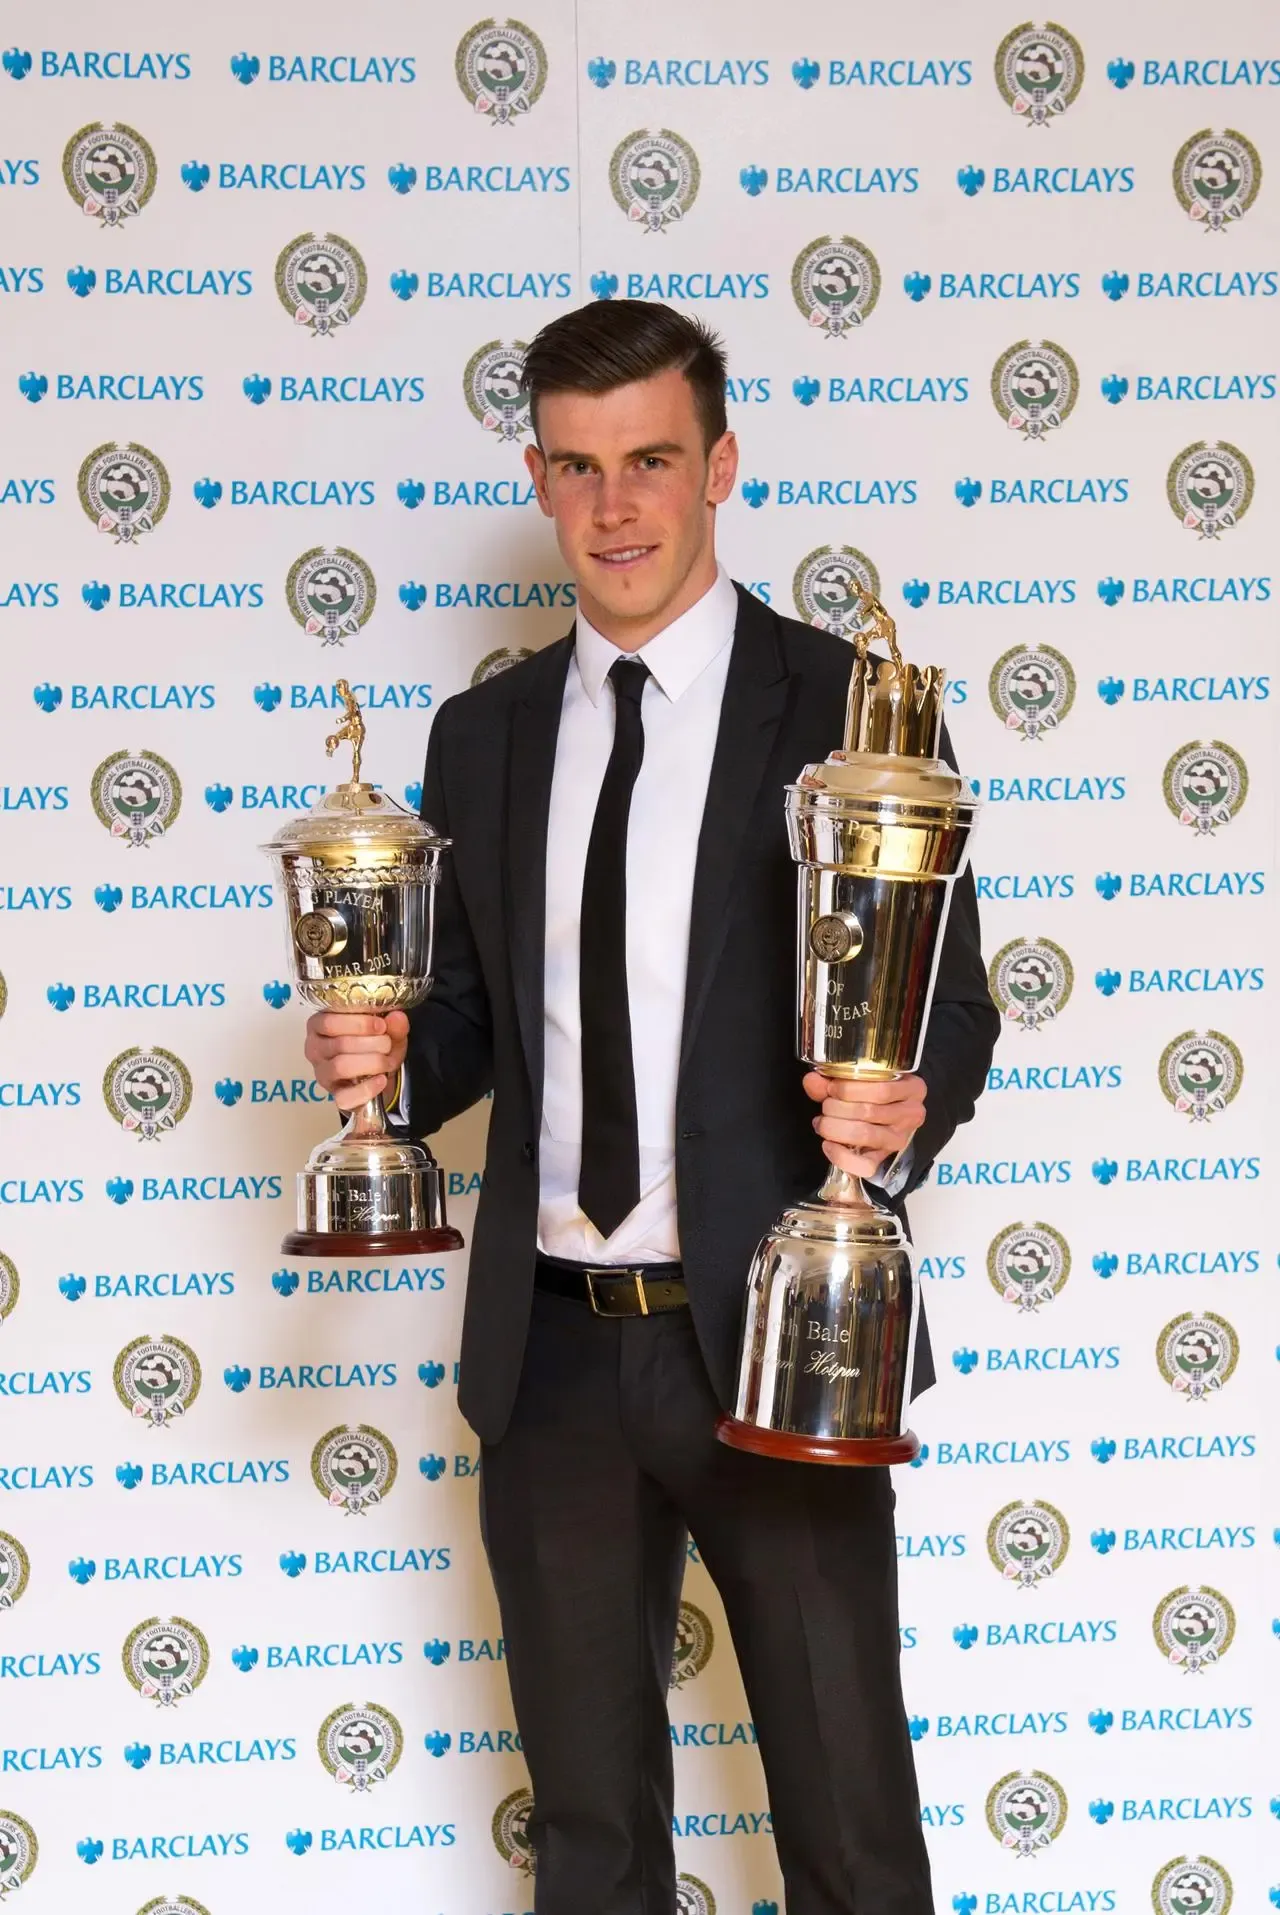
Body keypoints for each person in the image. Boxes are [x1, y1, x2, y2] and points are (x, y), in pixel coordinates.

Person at [304, 301, 998, 1915]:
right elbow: (483, 1029)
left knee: (847, 1828)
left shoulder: (849, 709)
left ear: (720, 467)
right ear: (540, 479)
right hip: (548, 1360)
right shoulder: (478, 738)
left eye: (653, 462)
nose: (616, 505)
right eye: (579, 465)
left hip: (772, 1340)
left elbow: (950, 999)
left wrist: (906, 1108)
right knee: (596, 1844)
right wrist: (393, 1067)